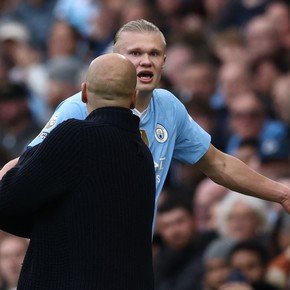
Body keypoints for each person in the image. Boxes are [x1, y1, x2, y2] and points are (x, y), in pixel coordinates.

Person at [1, 19, 290, 219]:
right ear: (115, 58)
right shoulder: (79, 107)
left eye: (154, 53)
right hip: (80, 255)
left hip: (133, 254)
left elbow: (219, 163)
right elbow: (24, 165)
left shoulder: (169, 108)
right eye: (135, 53)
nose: (145, 61)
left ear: (164, 61)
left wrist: (281, 194)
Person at [0, 53, 156, 290]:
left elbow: (6, 203)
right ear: (134, 98)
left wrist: (15, 166)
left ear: (83, 92)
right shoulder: (144, 155)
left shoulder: (74, 136)